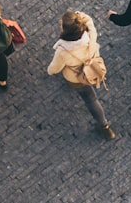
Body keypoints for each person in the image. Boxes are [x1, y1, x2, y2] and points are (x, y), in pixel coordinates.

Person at [47, 11, 115, 140]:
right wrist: (81, 16)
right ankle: (105, 127)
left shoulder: (63, 51)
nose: (60, 24)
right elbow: (90, 22)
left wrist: (49, 71)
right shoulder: (90, 35)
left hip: (77, 79)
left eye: (62, 24)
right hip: (93, 70)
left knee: (89, 99)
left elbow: (54, 69)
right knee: (92, 100)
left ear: (65, 30)